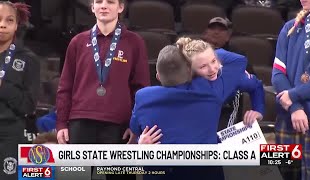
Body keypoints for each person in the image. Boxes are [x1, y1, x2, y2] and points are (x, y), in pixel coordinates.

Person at [130, 37, 263, 179]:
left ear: (157, 76)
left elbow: (136, 130)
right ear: (190, 70)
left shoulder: (143, 97)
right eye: (203, 65)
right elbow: (239, 60)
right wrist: (202, 51)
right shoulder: (212, 89)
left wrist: (140, 144)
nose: (211, 68)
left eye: (212, 62)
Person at [56, 0, 149, 179]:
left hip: (119, 125)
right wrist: (61, 123)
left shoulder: (134, 42)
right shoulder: (78, 41)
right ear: (92, 7)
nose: (103, 6)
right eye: (99, 2)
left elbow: (141, 88)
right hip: (80, 122)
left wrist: (135, 124)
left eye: (110, 2)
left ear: (120, 7)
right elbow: (65, 86)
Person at [272, 1, 310, 179]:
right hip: (288, 118)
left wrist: (293, 95)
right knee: (280, 175)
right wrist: (295, 107)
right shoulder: (290, 27)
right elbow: (277, 73)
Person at [0, 1, 40, 180]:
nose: (2, 24)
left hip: (10, 133)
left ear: (16, 25)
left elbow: (28, 106)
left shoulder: (28, 59)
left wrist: (3, 87)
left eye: (9, 20)